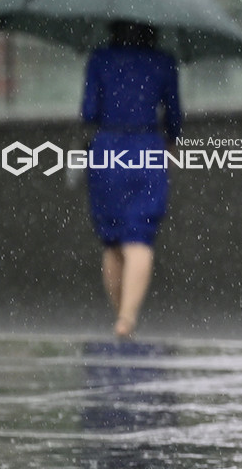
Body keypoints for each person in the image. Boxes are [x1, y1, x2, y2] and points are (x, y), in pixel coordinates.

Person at [81, 19, 181, 339]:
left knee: (112, 242)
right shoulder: (164, 62)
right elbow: (175, 116)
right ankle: (127, 318)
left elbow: (88, 111)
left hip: (107, 149)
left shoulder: (100, 59)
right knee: (140, 236)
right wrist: (170, 141)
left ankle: (122, 318)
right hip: (146, 146)